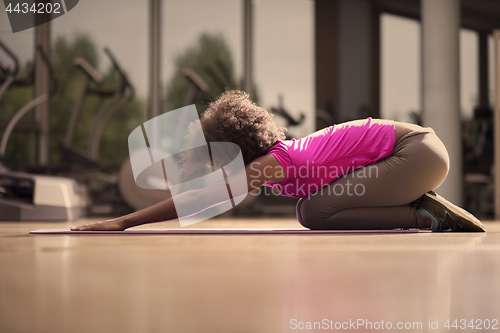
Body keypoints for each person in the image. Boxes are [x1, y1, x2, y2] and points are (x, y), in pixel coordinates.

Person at [71, 90, 485, 232]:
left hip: (417, 152)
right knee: (310, 207)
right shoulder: (278, 161)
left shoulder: (271, 164)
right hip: (418, 152)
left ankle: (426, 217)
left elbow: (200, 199)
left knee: (316, 211)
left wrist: (125, 220)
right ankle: (421, 209)